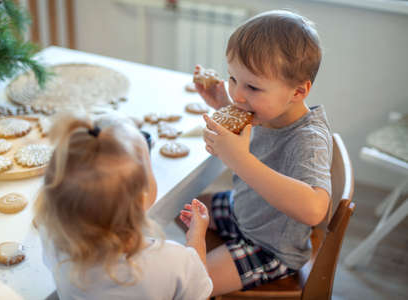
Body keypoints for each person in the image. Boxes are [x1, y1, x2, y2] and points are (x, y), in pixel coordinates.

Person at [180, 10, 332, 296]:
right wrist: (220, 101)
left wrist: (239, 159)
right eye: (233, 78)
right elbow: (243, 109)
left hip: (271, 247)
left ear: (298, 92)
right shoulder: (265, 110)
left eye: (251, 86)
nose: (237, 94)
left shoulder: (308, 139)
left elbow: (314, 209)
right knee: (182, 206)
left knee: (187, 284)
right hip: (244, 210)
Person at [34, 111, 212, 300]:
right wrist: (197, 238)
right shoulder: (175, 262)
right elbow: (199, 291)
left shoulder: (53, 241)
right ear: (141, 199)